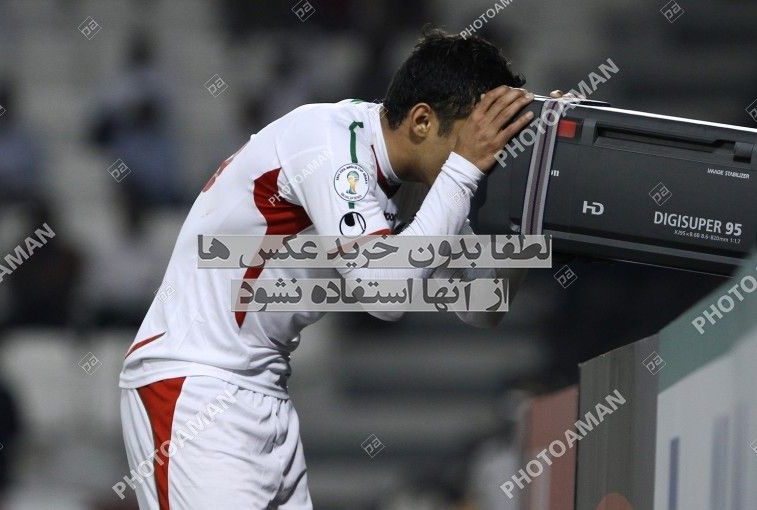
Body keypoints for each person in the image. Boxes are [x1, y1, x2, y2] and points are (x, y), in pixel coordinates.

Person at [119, 29, 536, 509]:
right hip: (195, 385)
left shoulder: (419, 176)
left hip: (264, 389)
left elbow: (480, 305)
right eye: (476, 142)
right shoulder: (328, 143)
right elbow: (384, 293)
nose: (483, 160)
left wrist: (532, 208)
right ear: (422, 121)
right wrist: (463, 170)